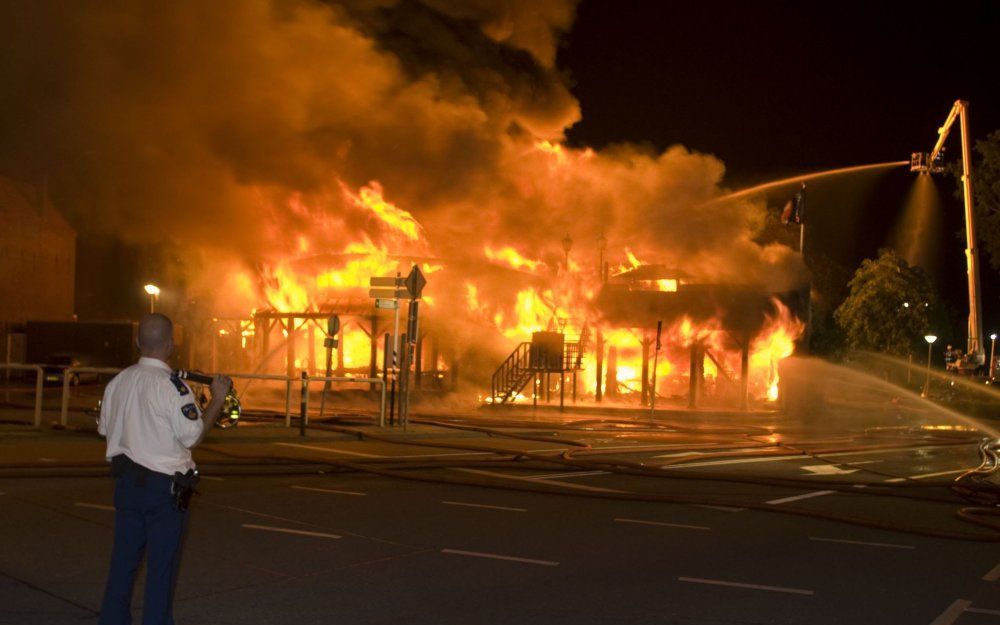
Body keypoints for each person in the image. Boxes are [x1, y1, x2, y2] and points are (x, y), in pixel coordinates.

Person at [97, 313, 232, 625]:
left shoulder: (118, 382)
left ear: (137, 341)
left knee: (122, 563)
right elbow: (192, 435)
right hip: (163, 492)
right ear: (170, 346)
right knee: (161, 569)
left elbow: (105, 430)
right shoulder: (174, 387)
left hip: (126, 485)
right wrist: (217, 401)